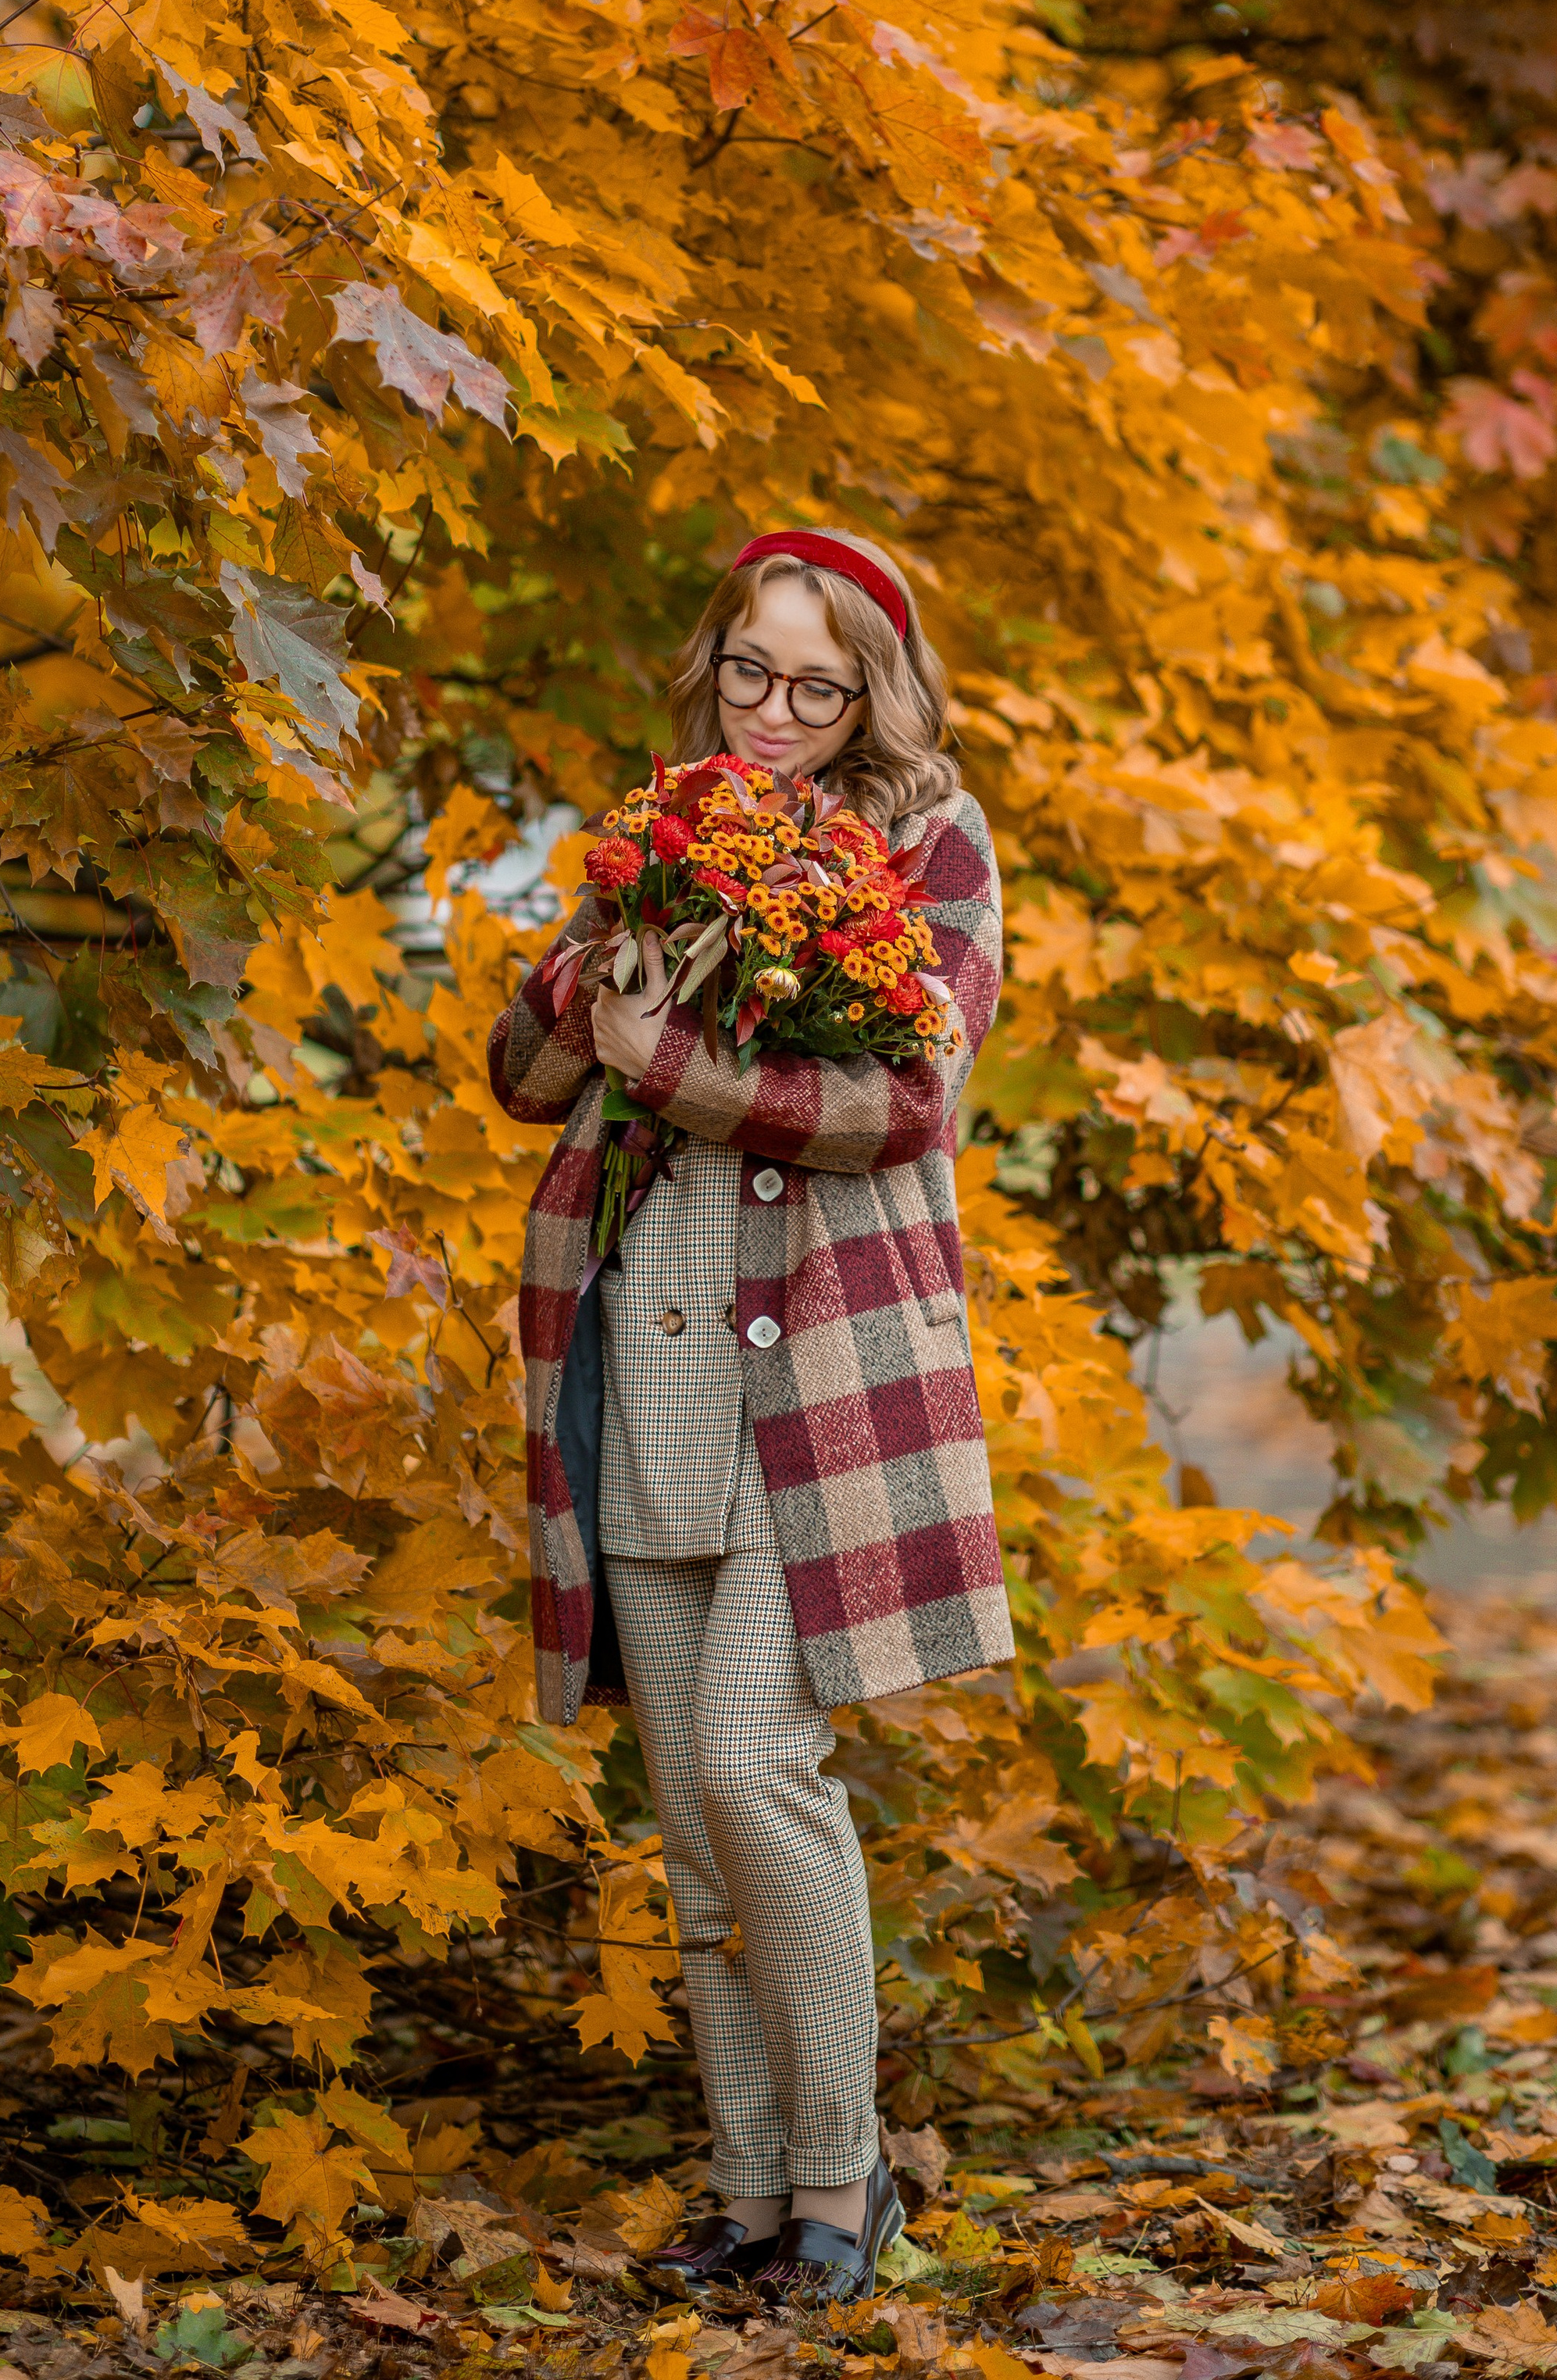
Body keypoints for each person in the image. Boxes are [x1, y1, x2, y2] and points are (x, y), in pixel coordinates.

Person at [487, 528, 1010, 2302]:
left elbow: (906, 1100)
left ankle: (847, 2175)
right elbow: (521, 1071)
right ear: (712, 659)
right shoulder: (663, 829)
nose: (773, 712)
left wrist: (668, 1061)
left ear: (875, 694)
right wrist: (595, 972)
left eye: (817, 688)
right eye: (748, 673)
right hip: (645, 1345)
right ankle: (754, 2187)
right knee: (694, 1822)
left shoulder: (931, 844)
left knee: (750, 1760)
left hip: (827, 1368)